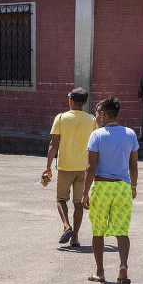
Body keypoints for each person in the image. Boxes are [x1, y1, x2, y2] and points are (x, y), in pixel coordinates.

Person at [83, 97, 138, 284]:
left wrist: (84, 193)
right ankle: (123, 266)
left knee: (98, 231)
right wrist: (133, 187)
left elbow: (91, 167)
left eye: (98, 112)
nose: (96, 116)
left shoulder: (97, 135)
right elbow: (133, 165)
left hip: (102, 187)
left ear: (104, 114)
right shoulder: (130, 134)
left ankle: (100, 272)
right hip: (123, 188)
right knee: (122, 231)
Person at [43, 87, 97, 247]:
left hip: (65, 167)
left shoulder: (60, 118)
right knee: (79, 203)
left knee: (61, 200)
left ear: (71, 100)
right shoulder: (92, 120)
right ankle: (75, 238)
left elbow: (53, 145)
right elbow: (96, 145)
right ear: (84, 102)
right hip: (84, 168)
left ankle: (66, 226)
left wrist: (48, 167)